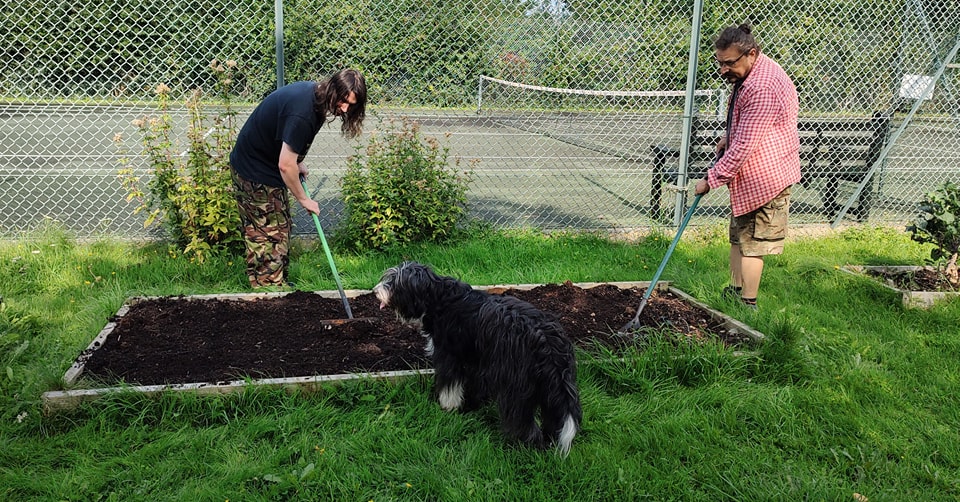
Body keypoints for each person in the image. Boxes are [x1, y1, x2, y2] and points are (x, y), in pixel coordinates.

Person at [694, 24, 801, 309]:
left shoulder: (762, 86)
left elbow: (745, 147)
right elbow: (747, 124)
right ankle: (733, 291)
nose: (723, 69)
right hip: (749, 176)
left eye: (729, 63)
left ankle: (747, 304)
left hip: (766, 179)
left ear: (751, 54)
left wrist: (711, 178)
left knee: (753, 244)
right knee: (738, 238)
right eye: (720, 62)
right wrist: (728, 135)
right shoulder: (752, 72)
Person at [230, 69, 366, 288]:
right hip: (254, 169)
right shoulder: (303, 112)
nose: (344, 109)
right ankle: (269, 292)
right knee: (269, 232)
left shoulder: (318, 99)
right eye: (343, 101)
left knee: (279, 225)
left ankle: (275, 284)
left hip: (265, 162)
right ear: (333, 90)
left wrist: (297, 159)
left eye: (351, 105)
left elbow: (287, 143)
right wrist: (304, 199)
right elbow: (285, 165)